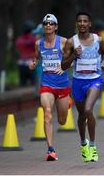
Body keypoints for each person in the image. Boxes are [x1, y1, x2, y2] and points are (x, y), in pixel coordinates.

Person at [61, 12, 104, 162]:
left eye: (85, 21)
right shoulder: (71, 42)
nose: (82, 23)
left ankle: (93, 146)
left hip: (95, 80)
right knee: (81, 116)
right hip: (78, 82)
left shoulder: (98, 40)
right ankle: (83, 144)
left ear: (89, 24)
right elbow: (63, 65)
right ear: (76, 24)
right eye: (79, 21)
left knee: (88, 110)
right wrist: (74, 55)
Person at [29, 14, 71, 161]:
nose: (48, 26)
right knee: (47, 113)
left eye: (51, 23)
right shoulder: (38, 43)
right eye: (45, 23)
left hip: (62, 85)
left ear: (56, 26)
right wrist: (33, 63)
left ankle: (67, 102)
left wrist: (65, 66)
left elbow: (72, 59)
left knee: (62, 120)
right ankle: (50, 150)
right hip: (46, 83)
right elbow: (36, 57)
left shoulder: (64, 42)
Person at [15, 21, 36, 87]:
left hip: (21, 62)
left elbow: (18, 49)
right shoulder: (33, 39)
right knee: (33, 83)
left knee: (22, 82)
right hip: (30, 62)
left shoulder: (19, 39)